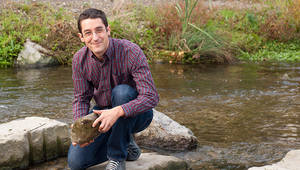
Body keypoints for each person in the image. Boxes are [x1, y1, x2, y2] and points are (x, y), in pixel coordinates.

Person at [67, 8, 159, 170]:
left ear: (108, 30)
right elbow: (81, 98)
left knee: (122, 92)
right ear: (81, 37)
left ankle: (117, 158)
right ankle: (126, 143)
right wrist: (82, 128)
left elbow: (151, 96)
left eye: (99, 30)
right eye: (88, 33)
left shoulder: (131, 51)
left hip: (137, 115)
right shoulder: (79, 60)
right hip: (102, 112)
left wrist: (118, 111)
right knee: (76, 163)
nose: (95, 38)